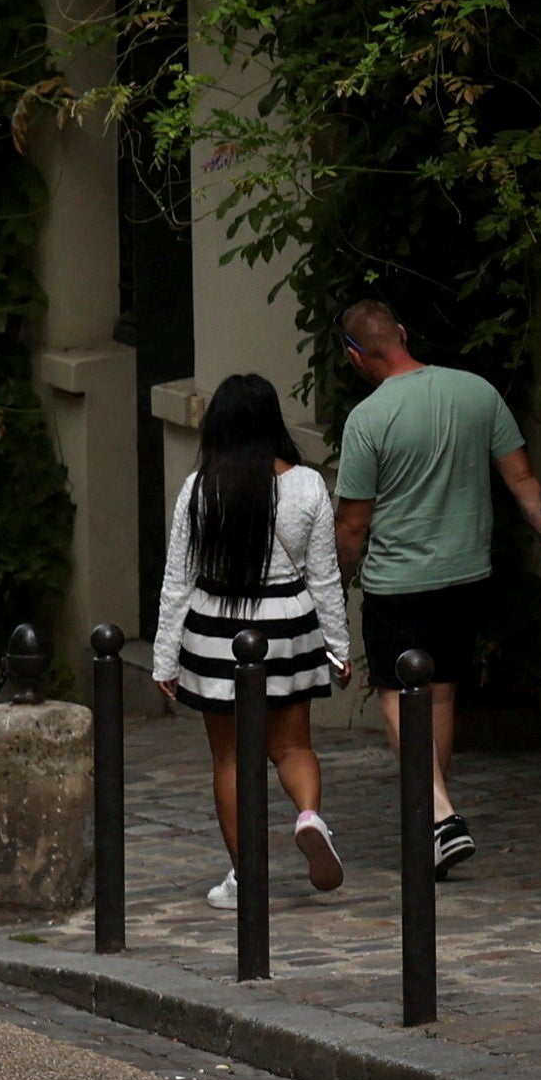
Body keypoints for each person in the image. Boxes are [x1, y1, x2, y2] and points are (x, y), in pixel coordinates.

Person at [328, 300, 541, 875]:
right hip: (465, 577)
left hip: (398, 584)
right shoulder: (477, 393)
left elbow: (352, 524)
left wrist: (333, 591)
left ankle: (440, 814)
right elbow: (524, 481)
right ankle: (430, 828)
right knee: (440, 693)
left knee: (397, 695)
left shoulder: (368, 420)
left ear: (354, 355)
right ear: (403, 332)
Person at [152, 371, 348, 910]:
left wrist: (164, 656)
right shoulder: (307, 485)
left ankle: (247, 876)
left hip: (218, 629)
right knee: (293, 747)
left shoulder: (200, 488)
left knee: (230, 761)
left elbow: (178, 578)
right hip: (289, 625)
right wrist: (338, 646)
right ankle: (308, 816)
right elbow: (325, 575)